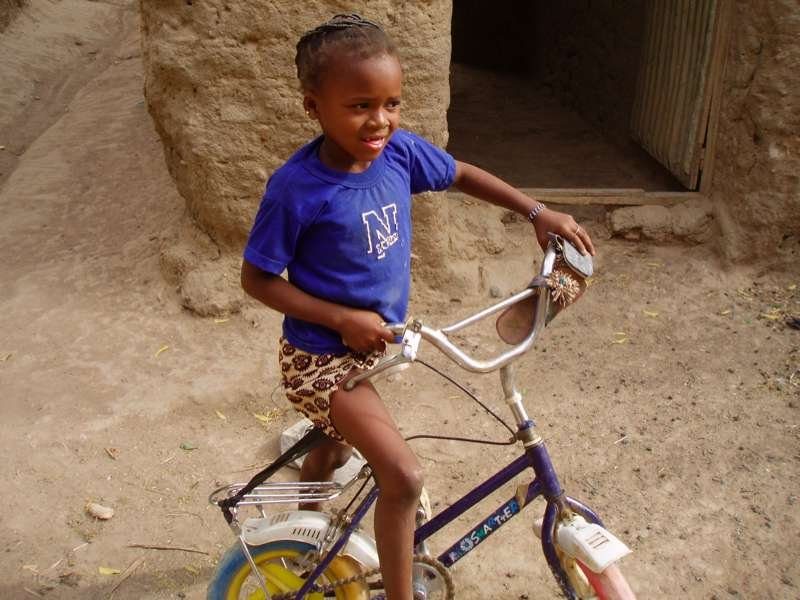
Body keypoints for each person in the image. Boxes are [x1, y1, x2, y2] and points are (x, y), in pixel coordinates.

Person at [241, 13, 595, 600]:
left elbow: (461, 174)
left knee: (333, 444)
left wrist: (537, 212)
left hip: (371, 347)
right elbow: (256, 279)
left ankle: (305, 533)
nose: (379, 120)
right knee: (403, 478)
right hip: (319, 359)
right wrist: (341, 319)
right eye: (359, 106)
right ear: (313, 107)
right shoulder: (297, 188)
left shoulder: (398, 154)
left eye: (391, 103)